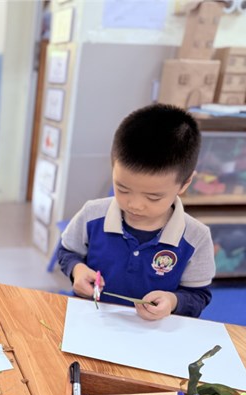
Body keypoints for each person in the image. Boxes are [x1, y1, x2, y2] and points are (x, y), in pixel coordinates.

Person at [57, 103, 215, 320]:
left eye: (153, 197)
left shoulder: (196, 237)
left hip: (152, 332)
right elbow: (67, 251)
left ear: (185, 183)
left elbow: (198, 296)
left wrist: (172, 301)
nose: (135, 205)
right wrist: (77, 270)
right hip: (91, 321)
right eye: (122, 189)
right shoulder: (92, 215)